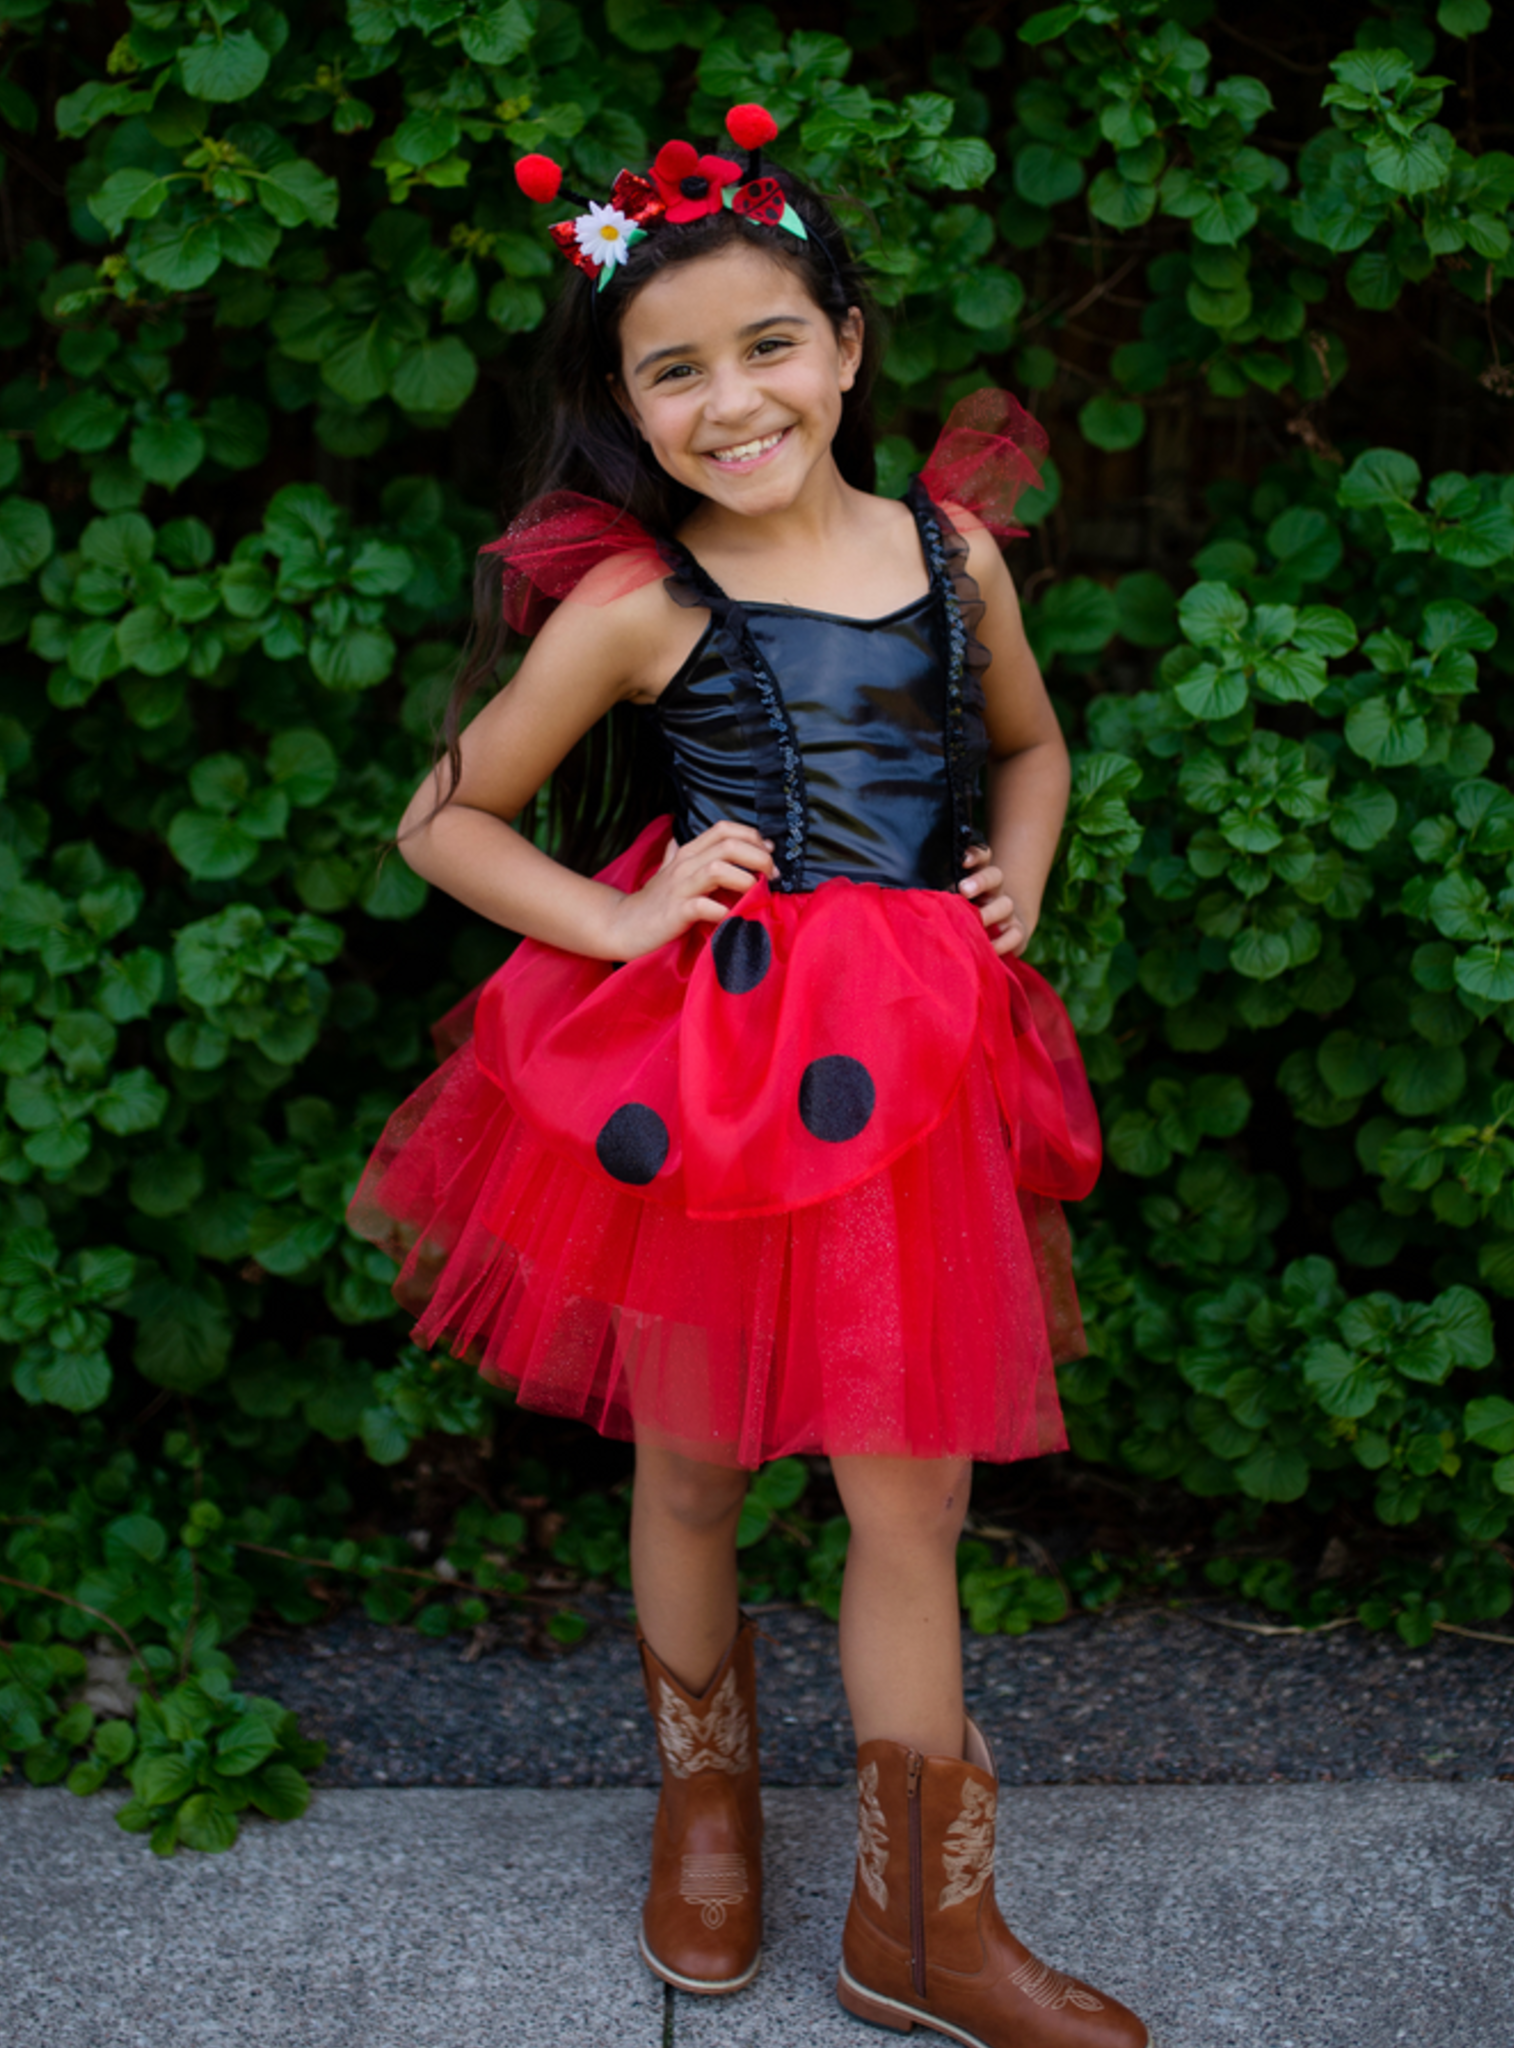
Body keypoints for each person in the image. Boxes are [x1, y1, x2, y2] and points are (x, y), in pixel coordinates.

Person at [348, 103, 1153, 2048]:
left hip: (909, 1078)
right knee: (692, 1460)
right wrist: (615, 926)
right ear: (626, 401)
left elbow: (1031, 750)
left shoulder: (950, 554)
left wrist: (1013, 881)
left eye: (767, 345)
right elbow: (442, 821)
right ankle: (704, 1796)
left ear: (848, 347)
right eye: (674, 368)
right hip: (709, 1079)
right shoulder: (641, 604)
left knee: (910, 1505)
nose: (731, 397)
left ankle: (926, 1928)